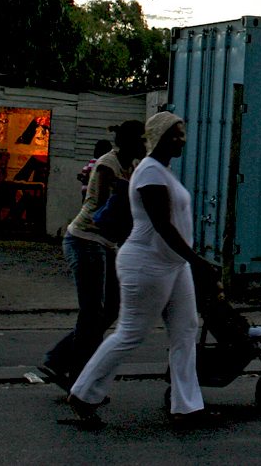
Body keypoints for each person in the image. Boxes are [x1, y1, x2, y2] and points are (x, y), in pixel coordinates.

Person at [67, 112, 222, 429]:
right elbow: (163, 226)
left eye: (183, 133)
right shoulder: (150, 171)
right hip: (147, 263)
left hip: (170, 264)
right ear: (159, 137)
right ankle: (83, 393)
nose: (182, 139)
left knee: (186, 329)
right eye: (175, 134)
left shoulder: (161, 171)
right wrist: (199, 262)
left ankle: (188, 407)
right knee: (130, 333)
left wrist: (189, 262)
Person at [38, 121, 145, 392]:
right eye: (140, 140)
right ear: (129, 141)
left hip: (104, 243)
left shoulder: (131, 165)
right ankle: (76, 376)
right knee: (93, 311)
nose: (144, 145)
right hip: (85, 239)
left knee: (110, 308)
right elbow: (113, 207)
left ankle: (59, 359)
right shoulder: (108, 165)